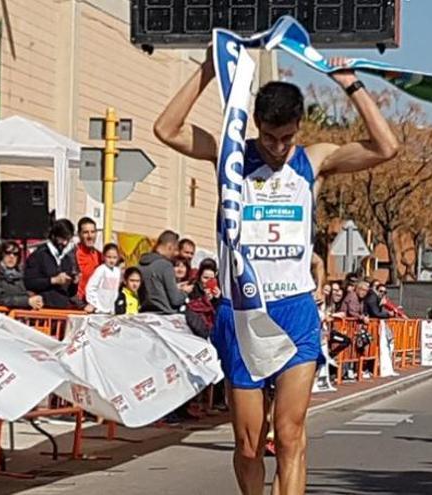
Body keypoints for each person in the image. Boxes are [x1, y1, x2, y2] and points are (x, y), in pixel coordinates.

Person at [154, 46, 398, 494]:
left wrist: (351, 85)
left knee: (289, 435)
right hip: (242, 313)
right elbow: (166, 129)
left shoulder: (312, 160)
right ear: (256, 126)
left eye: (286, 137)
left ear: (298, 127)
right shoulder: (230, 157)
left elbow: (386, 147)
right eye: (269, 137)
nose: (278, 147)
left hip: (294, 309)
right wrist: (207, 70)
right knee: (249, 445)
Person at [24, 219, 80, 309]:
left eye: (68, 239)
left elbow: (70, 293)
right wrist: (53, 280)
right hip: (42, 309)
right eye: (62, 238)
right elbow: (29, 282)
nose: (65, 243)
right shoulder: (39, 255)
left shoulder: (67, 259)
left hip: (62, 309)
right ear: (54, 236)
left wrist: (74, 283)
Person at [0, 241, 43, 309]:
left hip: (16, 313)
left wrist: (34, 299)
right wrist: (26, 301)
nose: (12, 256)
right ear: (1, 254)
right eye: (8, 253)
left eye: (15, 254)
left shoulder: (20, 273)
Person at [138, 230, 186, 314]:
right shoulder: (165, 266)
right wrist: (185, 292)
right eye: (175, 249)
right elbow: (176, 300)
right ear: (169, 247)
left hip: (144, 314)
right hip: (164, 315)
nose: (176, 254)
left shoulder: (140, 264)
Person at [84, 243, 122, 314]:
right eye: (109, 257)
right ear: (103, 256)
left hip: (109, 309)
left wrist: (112, 307)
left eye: (114, 257)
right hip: (98, 309)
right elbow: (90, 287)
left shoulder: (117, 271)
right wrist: (94, 304)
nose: (112, 260)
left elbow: (115, 290)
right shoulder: (101, 269)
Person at [75, 217, 103, 304]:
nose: (90, 236)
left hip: (95, 304)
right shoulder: (73, 254)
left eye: (92, 232)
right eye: (85, 232)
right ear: (79, 234)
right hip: (77, 305)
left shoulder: (100, 256)